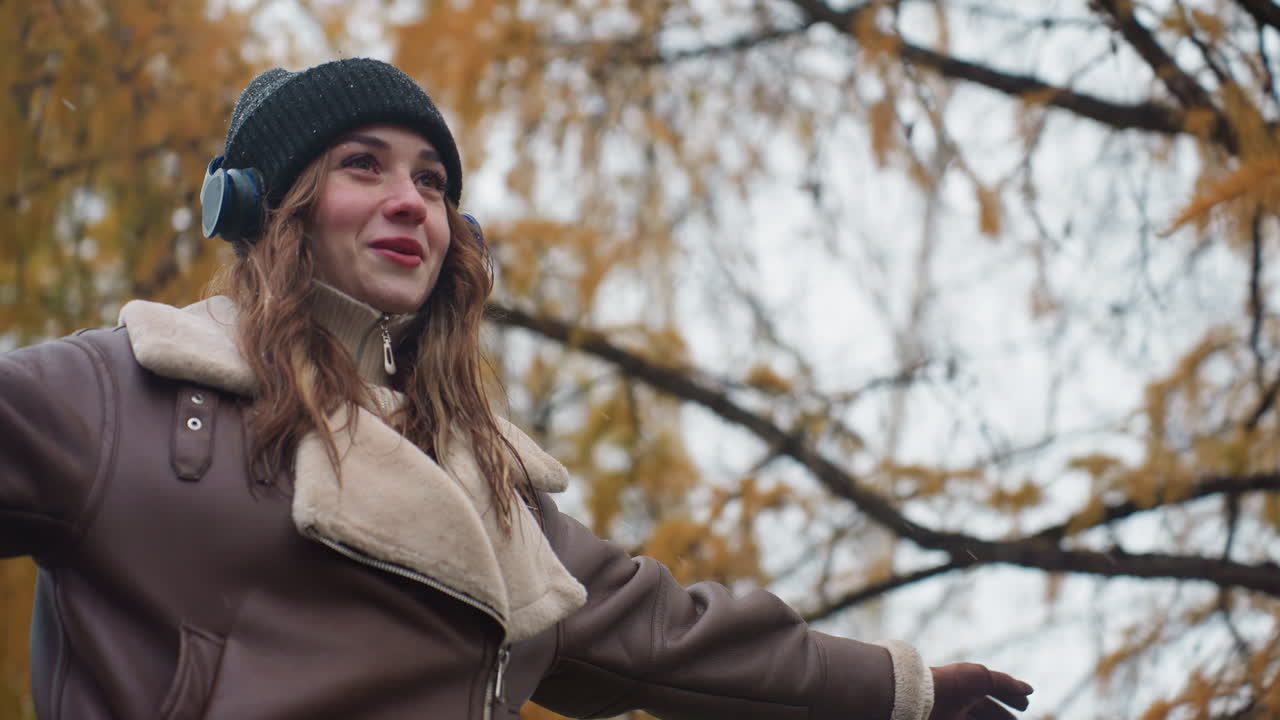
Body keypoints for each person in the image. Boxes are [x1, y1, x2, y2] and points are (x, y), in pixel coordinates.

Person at [0, 58, 1034, 720]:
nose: (410, 200)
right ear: (273, 206)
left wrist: (897, 692)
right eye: (364, 167)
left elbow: (675, 636)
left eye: (434, 183)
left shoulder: (484, 488)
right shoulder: (127, 396)